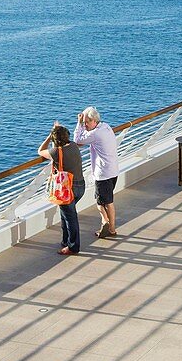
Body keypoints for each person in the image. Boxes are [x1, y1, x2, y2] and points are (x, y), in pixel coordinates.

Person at [38, 123, 86, 255]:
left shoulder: (55, 152)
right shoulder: (74, 146)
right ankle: (65, 240)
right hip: (80, 186)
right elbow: (62, 150)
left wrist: (49, 136)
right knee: (66, 213)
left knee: (71, 218)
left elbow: (40, 151)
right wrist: (57, 132)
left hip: (66, 190)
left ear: (55, 140)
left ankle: (73, 246)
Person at [74, 106, 120, 239]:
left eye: (86, 123)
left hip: (103, 173)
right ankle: (109, 228)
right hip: (113, 170)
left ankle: (107, 224)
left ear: (94, 121)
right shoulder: (106, 127)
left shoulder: (95, 134)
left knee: (101, 203)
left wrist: (78, 123)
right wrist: (83, 124)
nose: (85, 125)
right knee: (108, 200)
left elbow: (78, 141)